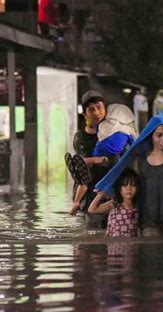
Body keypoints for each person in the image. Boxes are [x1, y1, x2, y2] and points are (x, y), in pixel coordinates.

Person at [65, 90, 109, 228]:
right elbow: (82, 161)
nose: (96, 113)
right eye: (91, 110)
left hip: (109, 190)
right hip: (89, 191)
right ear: (85, 114)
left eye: (99, 108)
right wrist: (99, 160)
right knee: (92, 232)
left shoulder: (113, 134)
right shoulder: (80, 137)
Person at [88, 168, 140, 237]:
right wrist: (99, 195)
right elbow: (92, 210)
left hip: (131, 245)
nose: (129, 189)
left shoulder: (137, 207)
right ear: (119, 188)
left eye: (133, 185)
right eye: (125, 185)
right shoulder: (114, 204)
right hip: (114, 245)